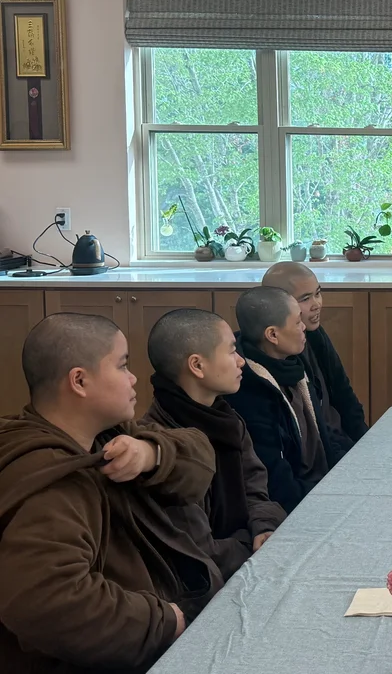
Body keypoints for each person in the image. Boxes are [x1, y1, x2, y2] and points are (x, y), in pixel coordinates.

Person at [0, 314, 222, 674]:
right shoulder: (53, 479)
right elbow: (47, 602)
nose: (133, 378)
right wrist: (165, 621)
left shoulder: (108, 435)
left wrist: (152, 453)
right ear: (79, 381)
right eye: (122, 365)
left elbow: (200, 455)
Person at [143, 308, 287, 580]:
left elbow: (256, 488)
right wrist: (252, 545)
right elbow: (200, 553)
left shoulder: (225, 418)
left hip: (243, 556)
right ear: (197, 366)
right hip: (206, 585)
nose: (241, 361)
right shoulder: (162, 448)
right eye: (231, 351)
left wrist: (264, 527)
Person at [227, 286, 335, 512]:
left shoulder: (293, 362)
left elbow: (325, 434)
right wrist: (331, 497)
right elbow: (277, 481)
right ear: (273, 335)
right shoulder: (250, 392)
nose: (304, 327)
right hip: (297, 503)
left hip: (322, 483)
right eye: (297, 322)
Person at [262, 261, 368, 461]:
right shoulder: (274, 353)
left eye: (317, 293)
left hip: (342, 442)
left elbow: (344, 393)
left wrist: (365, 442)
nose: (316, 304)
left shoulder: (315, 335)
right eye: (305, 299)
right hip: (322, 456)